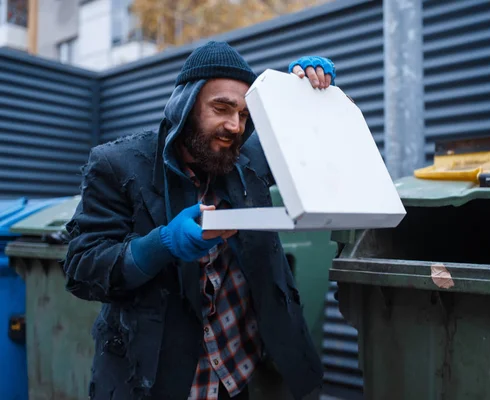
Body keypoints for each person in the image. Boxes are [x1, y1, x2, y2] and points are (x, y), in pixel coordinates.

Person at [62, 40, 337, 400]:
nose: (235, 126)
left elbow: (308, 137)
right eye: (221, 108)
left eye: (243, 115)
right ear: (185, 106)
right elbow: (81, 269)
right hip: (158, 381)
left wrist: (305, 90)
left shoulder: (248, 161)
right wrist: (161, 244)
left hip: (239, 373)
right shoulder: (118, 164)